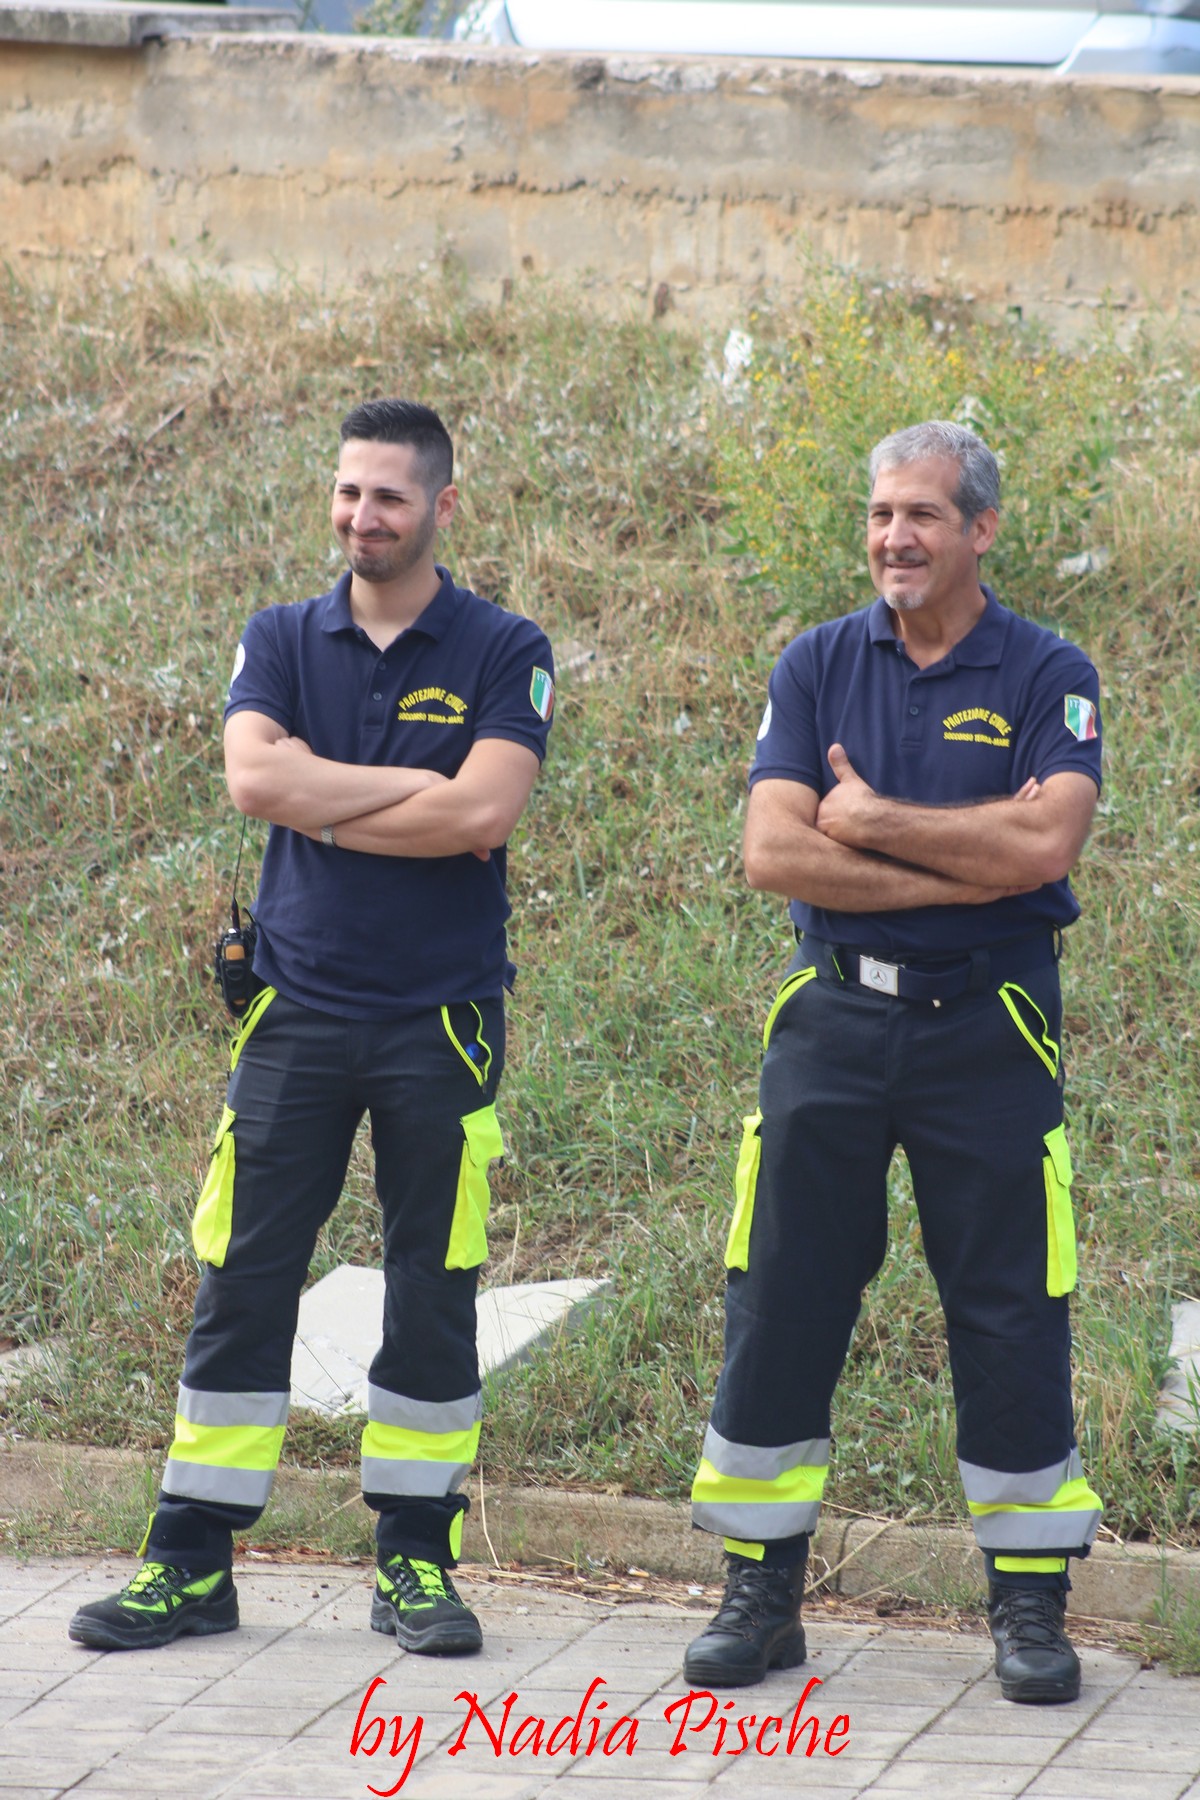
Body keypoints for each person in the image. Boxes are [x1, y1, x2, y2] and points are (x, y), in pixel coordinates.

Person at [70, 399, 554, 1655]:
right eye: (349, 491)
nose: (362, 516)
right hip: (294, 1013)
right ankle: (190, 1562)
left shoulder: (504, 647)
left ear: (442, 506)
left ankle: (416, 1564)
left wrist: (322, 800)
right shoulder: (282, 636)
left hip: (440, 1022)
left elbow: (483, 816)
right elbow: (254, 779)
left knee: (433, 1289)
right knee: (242, 1275)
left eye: (388, 495)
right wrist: (410, 792)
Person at [684, 420, 1103, 1705]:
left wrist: (865, 820)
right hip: (833, 1020)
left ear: (981, 529)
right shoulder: (817, 663)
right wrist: (962, 860)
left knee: (1010, 1301)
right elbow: (773, 852)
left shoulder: (1047, 671)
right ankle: (762, 1592)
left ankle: (1028, 1603)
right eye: (879, 514)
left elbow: (1046, 848)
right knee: (783, 1291)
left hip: (990, 1028)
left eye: (921, 514)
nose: (893, 538)